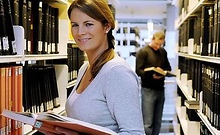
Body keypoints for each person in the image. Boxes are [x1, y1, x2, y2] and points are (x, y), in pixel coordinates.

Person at [41, 0, 145, 134]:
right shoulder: (84, 68)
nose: (80, 32)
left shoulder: (117, 72)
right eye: (75, 25)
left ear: (106, 26)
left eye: (88, 24)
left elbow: (135, 133)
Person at [135, 31, 172, 135]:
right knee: (148, 122)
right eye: (156, 44)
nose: (158, 47)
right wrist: (151, 75)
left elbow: (168, 67)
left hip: (160, 89)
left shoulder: (163, 52)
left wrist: (162, 71)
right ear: (152, 39)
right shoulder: (142, 52)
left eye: (160, 44)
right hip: (148, 90)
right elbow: (138, 70)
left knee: (158, 121)